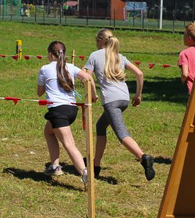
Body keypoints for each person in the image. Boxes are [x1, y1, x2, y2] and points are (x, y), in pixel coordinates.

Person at [83, 29, 154, 181]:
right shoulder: (120, 56)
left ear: (101, 41)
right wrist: (138, 95)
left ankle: (143, 157)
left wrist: (93, 94)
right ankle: (96, 165)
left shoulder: (94, 55)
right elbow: (140, 74)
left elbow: (87, 78)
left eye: (97, 41)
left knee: (122, 135)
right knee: (100, 127)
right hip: (124, 98)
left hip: (111, 101)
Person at [38, 40, 93, 185]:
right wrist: (94, 95)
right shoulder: (71, 67)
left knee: (69, 143)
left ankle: (85, 173)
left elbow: (39, 92)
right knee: (49, 132)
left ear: (50, 55)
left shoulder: (45, 69)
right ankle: (55, 166)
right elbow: (88, 77)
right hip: (71, 110)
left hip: (58, 111)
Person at [178, 21, 195, 95]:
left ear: (189, 39)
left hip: (192, 89)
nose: (183, 37)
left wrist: (182, 81)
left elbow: (185, 74)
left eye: (184, 35)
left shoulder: (184, 53)